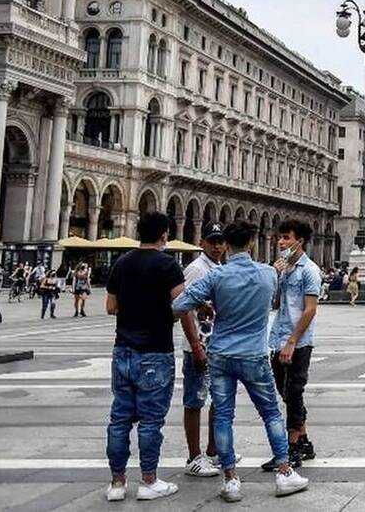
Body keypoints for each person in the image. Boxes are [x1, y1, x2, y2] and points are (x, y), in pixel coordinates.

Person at [171, 221, 309, 501]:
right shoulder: (268, 273)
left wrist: (207, 304)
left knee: (223, 416)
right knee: (271, 413)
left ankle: (231, 480)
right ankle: (284, 473)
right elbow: (274, 299)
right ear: (251, 243)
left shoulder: (216, 276)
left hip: (221, 355)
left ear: (227, 245)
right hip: (254, 354)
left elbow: (178, 305)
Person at [104, 212, 195, 502]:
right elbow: (182, 305)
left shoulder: (121, 263)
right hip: (155, 351)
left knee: (119, 419)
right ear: (164, 235)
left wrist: (133, 308)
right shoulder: (168, 264)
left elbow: (110, 306)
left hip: (122, 351)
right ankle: (148, 480)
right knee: (151, 421)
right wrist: (162, 313)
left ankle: (117, 483)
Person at [270, 219, 322, 470]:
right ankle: (304, 440)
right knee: (287, 393)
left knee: (293, 392)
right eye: (280, 237)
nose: (281, 242)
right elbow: (276, 303)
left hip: (298, 342)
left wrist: (292, 341)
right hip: (277, 338)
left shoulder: (309, 270)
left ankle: (291, 450)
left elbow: (310, 309)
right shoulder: (283, 269)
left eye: (286, 238)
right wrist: (273, 275)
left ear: (299, 241)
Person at [181, 223, 227, 478]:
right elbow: (183, 308)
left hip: (216, 346)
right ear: (202, 242)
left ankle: (213, 451)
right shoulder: (197, 269)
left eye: (220, 241)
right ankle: (194, 456)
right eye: (212, 241)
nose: (217, 246)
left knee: (218, 400)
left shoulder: (218, 267)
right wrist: (196, 347)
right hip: (198, 347)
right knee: (194, 401)